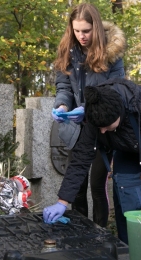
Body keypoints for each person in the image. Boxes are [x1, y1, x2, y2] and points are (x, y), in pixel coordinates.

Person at [44, 79, 141, 249]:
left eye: (106, 126)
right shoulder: (95, 119)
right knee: (123, 194)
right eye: (100, 128)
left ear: (119, 113)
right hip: (128, 147)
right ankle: (126, 248)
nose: (102, 131)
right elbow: (80, 162)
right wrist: (62, 202)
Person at [51, 3, 126, 227]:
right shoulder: (67, 52)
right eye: (77, 31)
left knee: (97, 185)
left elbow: (118, 91)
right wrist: (62, 107)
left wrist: (88, 108)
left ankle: (100, 235)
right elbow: (63, 87)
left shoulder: (112, 54)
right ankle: (80, 234)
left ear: (96, 27)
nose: (81, 36)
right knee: (77, 185)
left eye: (86, 31)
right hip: (76, 129)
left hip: (102, 128)